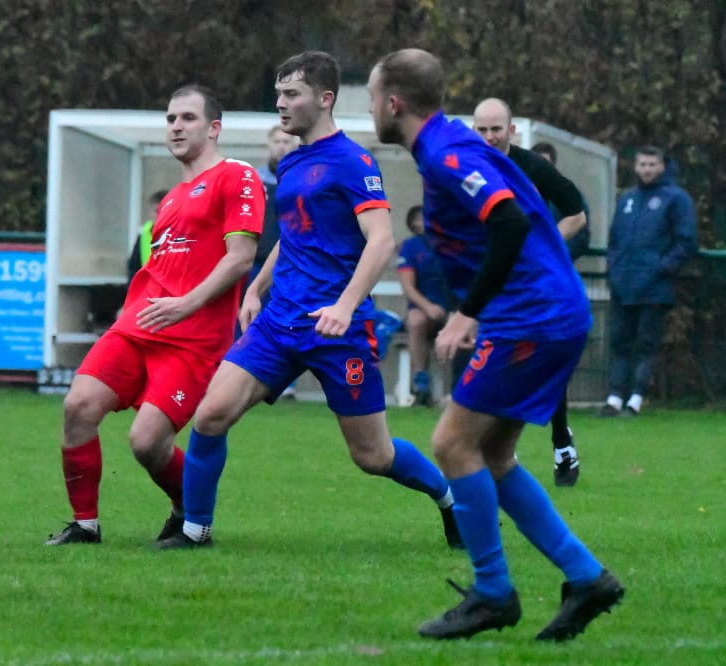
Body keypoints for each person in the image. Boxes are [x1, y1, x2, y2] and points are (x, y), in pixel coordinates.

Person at [157, 50, 461, 551]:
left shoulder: (353, 161)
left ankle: (450, 499)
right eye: (278, 93)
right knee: (211, 415)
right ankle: (195, 531)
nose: (280, 103)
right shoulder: (293, 161)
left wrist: (344, 306)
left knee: (374, 456)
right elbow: (295, 236)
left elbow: (381, 240)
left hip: (337, 329)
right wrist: (257, 287)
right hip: (280, 322)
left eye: (291, 94)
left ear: (324, 99)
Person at [367, 48, 624, 641]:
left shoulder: (446, 152)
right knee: (493, 455)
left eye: (374, 97)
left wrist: (467, 313)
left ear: (393, 103)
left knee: (451, 444)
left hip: (532, 317)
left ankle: (492, 592)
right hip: (546, 311)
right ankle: (586, 578)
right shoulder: (448, 141)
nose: (373, 108)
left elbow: (507, 221)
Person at [46, 84, 265, 546]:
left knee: (147, 442)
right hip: (139, 326)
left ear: (214, 128)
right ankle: (85, 525)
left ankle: (190, 512)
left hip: (192, 339)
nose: (176, 127)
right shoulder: (172, 199)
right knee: (78, 406)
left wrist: (188, 303)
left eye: (187, 118)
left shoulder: (237, 175)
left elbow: (241, 258)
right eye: (170, 119)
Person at [472, 99, 589, 486]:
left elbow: (576, 213)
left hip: (533, 283)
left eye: (496, 129)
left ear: (511, 131)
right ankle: (499, 450)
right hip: (490, 280)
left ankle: (561, 440)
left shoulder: (533, 167)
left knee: (542, 361)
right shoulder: (466, 168)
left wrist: (543, 246)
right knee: (495, 360)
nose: (490, 137)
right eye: (483, 130)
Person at [600, 146, 697, 417]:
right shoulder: (627, 199)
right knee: (619, 342)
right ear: (635, 166)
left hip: (654, 287)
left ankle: (636, 400)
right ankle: (614, 399)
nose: (646, 169)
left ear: (662, 166)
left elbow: (686, 242)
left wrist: (661, 268)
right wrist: (614, 270)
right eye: (642, 164)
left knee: (645, 344)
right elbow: (615, 240)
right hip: (623, 285)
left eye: (652, 164)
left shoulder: (676, 198)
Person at [253, 124, 299, 398]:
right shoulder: (255, 181)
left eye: (287, 141)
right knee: (249, 319)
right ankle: (248, 376)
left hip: (291, 266)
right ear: (269, 144)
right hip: (256, 263)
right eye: (277, 141)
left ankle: (285, 384)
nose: (282, 146)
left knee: (285, 321)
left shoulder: (300, 179)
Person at [397, 204, 450, 407]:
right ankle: (421, 384)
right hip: (424, 308)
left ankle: (458, 390)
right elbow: (408, 287)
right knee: (416, 321)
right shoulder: (410, 247)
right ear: (413, 224)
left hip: (454, 307)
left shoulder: (451, 244)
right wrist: (429, 308)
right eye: (421, 218)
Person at [126, 189, 168, 280]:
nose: (159, 215)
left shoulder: (179, 233)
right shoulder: (144, 234)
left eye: (163, 210)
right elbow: (134, 267)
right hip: (148, 286)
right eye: (156, 211)